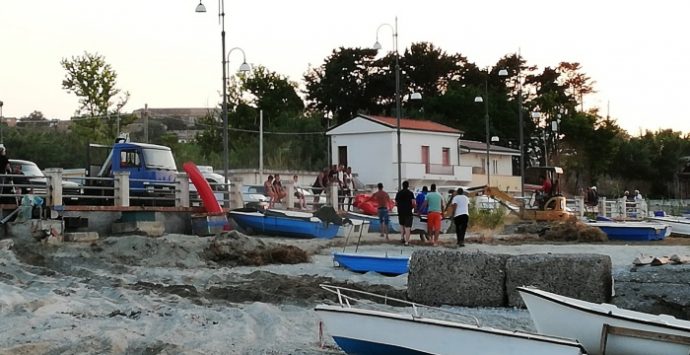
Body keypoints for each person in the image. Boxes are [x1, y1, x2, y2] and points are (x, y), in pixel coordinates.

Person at [395, 180, 416, 246]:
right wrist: (412, 208)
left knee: (402, 225)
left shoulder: (398, 193)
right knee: (407, 228)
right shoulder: (410, 193)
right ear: (408, 186)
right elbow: (413, 203)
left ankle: (402, 238)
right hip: (408, 212)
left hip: (400, 212)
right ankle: (406, 242)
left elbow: (396, 203)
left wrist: (400, 206)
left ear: (402, 185)